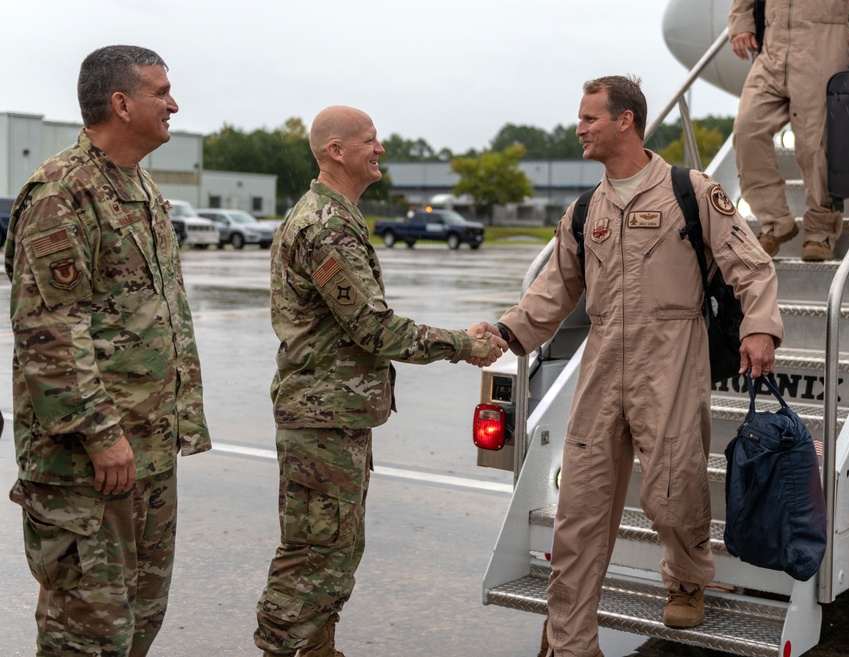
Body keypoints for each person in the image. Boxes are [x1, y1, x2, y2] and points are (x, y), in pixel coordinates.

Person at [489, 76, 783, 657]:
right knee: (580, 505)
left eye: (590, 118)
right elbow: (551, 295)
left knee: (674, 489)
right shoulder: (583, 211)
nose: (580, 128)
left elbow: (752, 265)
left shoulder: (689, 191)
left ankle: (688, 581)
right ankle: (572, 640)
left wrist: (759, 327)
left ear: (626, 121)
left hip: (671, 354)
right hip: (603, 359)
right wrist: (502, 333)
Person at [253, 105, 505, 657]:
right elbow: (374, 328)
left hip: (335, 418)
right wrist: (464, 344)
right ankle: (280, 649)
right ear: (335, 151)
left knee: (336, 547)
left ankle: (318, 648)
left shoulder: (336, 216)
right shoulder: (325, 227)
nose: (380, 148)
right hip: (321, 420)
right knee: (313, 552)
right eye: (370, 140)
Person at [4, 45, 211, 657]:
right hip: (87, 465)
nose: (174, 104)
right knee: (86, 636)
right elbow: (49, 332)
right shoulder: (60, 193)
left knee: (139, 620)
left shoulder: (138, 186)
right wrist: (99, 433)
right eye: (161, 92)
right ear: (121, 104)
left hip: (146, 451)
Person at [729, 0, 849, 261]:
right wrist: (740, 24)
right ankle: (775, 223)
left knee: (815, 145)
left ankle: (821, 231)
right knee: (747, 130)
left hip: (823, 45)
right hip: (772, 50)